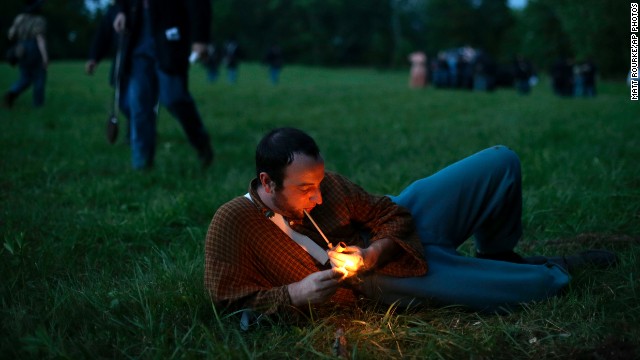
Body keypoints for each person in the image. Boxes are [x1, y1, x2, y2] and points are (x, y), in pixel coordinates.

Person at [204, 127, 616, 323]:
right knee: (523, 289)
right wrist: (296, 293)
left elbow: (392, 214)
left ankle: (499, 255)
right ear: (266, 183)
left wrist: (371, 252)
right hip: (370, 284)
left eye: (319, 182)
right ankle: (550, 270)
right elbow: (227, 304)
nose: (317, 196)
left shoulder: (327, 186)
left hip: (382, 246)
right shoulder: (232, 222)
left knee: (501, 162)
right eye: (305, 188)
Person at [112, 0, 214, 170]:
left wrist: (200, 38)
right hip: (138, 33)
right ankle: (141, 164)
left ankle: (201, 141)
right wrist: (121, 10)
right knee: (139, 104)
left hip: (171, 33)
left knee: (174, 98)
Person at [85, 2, 132, 143]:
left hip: (141, 57)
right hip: (122, 58)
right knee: (123, 100)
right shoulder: (115, 9)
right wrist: (94, 57)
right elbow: (103, 34)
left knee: (140, 98)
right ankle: (138, 127)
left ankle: (135, 133)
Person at [3, 0, 48, 108]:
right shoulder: (39, 20)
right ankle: (38, 105)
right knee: (39, 78)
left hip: (21, 50)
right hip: (34, 49)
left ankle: (13, 92)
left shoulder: (20, 18)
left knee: (25, 77)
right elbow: (40, 39)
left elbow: (10, 35)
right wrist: (45, 56)